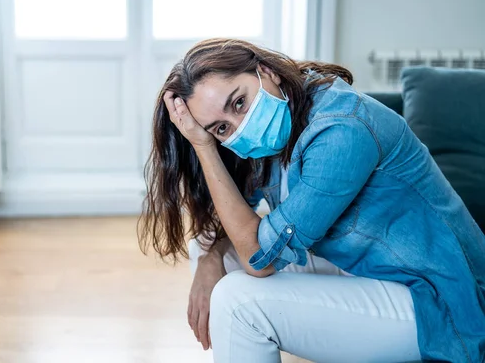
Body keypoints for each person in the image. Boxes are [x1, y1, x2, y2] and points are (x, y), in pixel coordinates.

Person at [137, 38, 485, 362]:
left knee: (238, 301)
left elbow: (259, 259)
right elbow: (235, 226)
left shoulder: (341, 129)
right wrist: (212, 259)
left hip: (436, 299)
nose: (240, 127)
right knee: (208, 242)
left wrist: (204, 146)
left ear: (266, 71)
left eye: (239, 102)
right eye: (222, 128)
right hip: (365, 267)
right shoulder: (281, 123)